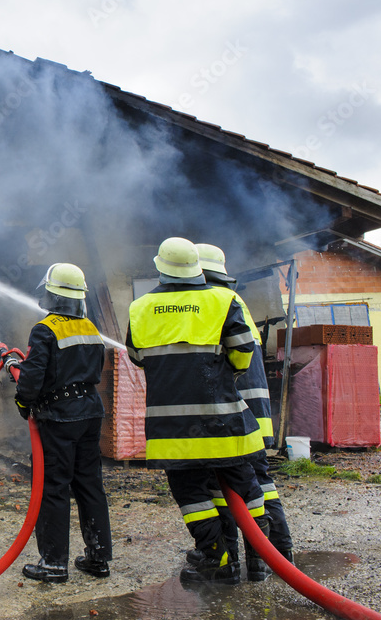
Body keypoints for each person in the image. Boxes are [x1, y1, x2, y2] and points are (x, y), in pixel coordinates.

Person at [126, 237, 269, 586]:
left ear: (160, 267)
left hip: (171, 429)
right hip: (224, 421)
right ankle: (261, 560)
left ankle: (217, 557)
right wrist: (226, 373)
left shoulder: (140, 307)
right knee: (246, 486)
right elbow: (243, 350)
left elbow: (137, 356)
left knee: (191, 493)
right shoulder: (224, 299)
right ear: (196, 269)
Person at [195, 243, 295, 580]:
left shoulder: (215, 304)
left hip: (237, 414)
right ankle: (268, 556)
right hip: (250, 412)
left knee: (249, 486)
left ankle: (267, 555)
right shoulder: (231, 302)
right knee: (250, 485)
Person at [11, 262, 113, 583]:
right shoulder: (92, 329)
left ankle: (54, 563)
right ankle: (98, 558)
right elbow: (88, 370)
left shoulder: (45, 329)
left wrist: (22, 402)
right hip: (90, 414)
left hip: (58, 418)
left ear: (52, 296)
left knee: (53, 487)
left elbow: (33, 378)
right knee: (89, 485)